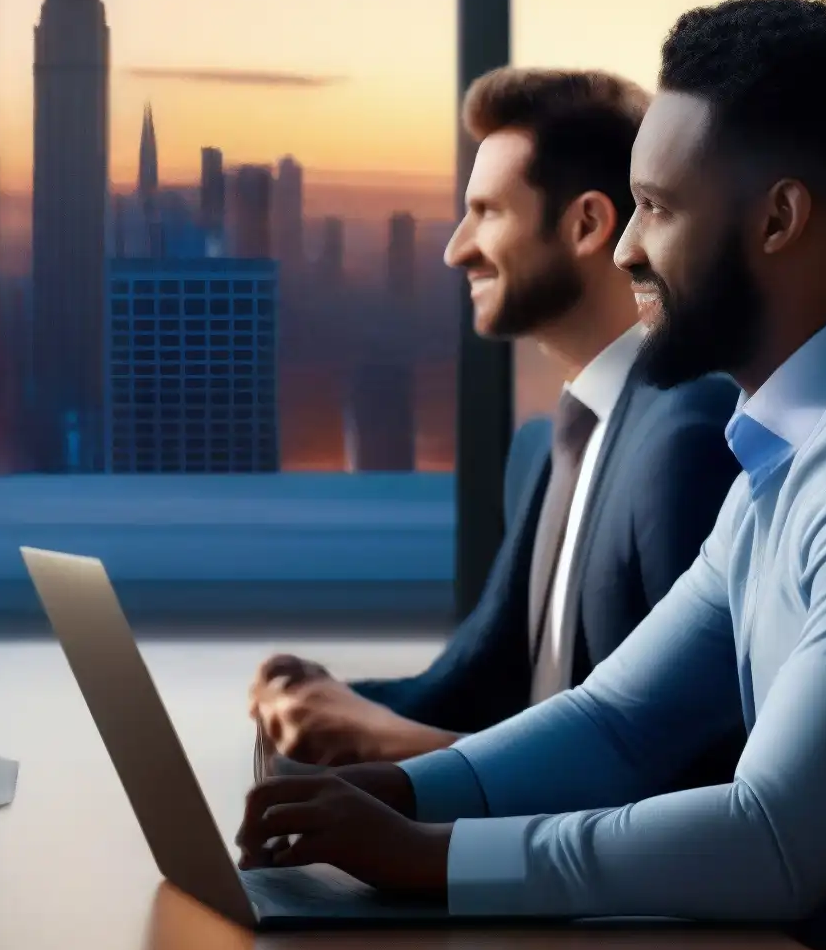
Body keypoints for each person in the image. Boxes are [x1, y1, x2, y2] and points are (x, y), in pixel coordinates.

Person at [239, 0, 826, 950]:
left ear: (778, 218)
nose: (623, 251)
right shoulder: (802, 435)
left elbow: (771, 839)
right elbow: (619, 719)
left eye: (655, 208)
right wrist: (403, 794)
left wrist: (430, 858)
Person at [250, 68, 739, 766]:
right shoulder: (549, 449)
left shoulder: (688, 438)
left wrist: (391, 742)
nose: (457, 249)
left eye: (488, 213)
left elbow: (686, 768)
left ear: (588, 225)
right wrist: (323, 699)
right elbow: (477, 685)